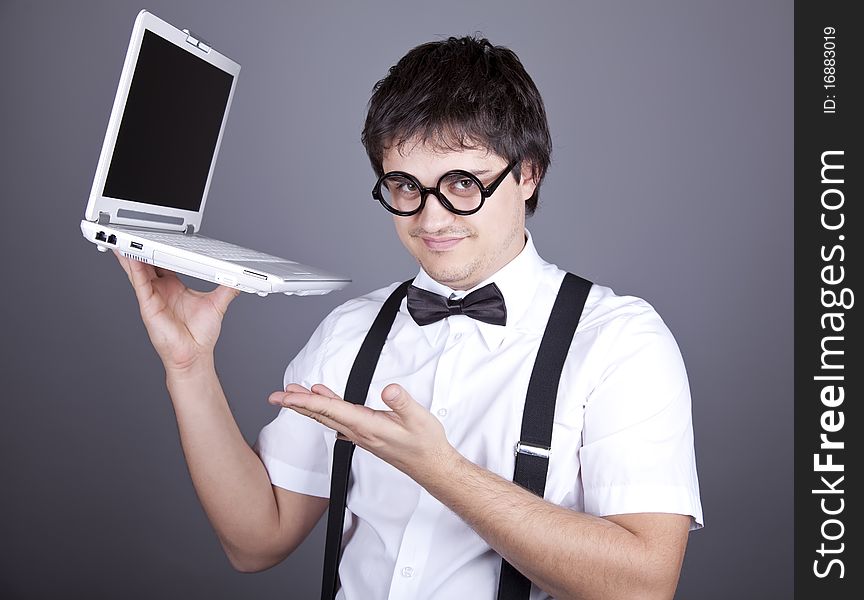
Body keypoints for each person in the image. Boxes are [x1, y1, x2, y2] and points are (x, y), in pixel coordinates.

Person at [115, 36, 702, 600]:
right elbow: (256, 541)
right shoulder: (351, 331)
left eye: (462, 183)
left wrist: (440, 470)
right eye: (404, 186)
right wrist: (189, 367)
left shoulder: (619, 341)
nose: (431, 218)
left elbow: (643, 584)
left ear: (527, 174)